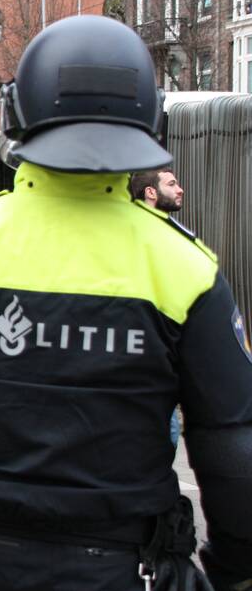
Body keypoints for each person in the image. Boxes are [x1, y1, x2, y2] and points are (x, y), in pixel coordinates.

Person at [0, 15, 252, 590]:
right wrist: (234, 572)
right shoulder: (186, 269)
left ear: (18, 116)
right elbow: (230, 448)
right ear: (150, 122)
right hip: (131, 570)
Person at [132, 167, 186, 446]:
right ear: (151, 192)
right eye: (172, 184)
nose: (180, 190)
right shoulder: (140, 237)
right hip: (147, 365)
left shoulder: (172, 237)